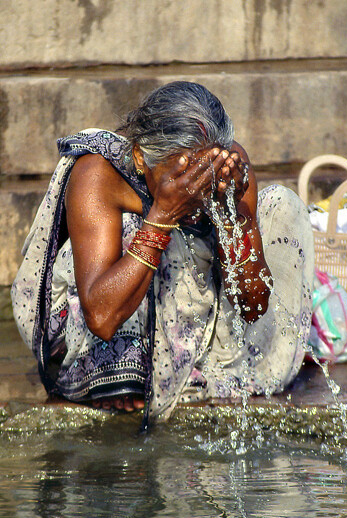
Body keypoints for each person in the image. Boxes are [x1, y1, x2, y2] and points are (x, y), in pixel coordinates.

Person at [11, 81, 314, 424]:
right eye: (185, 174)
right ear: (141, 156)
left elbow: (253, 305)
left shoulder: (229, 167)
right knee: (132, 228)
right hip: (92, 329)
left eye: (205, 174)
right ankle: (116, 375)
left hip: (201, 330)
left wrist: (234, 218)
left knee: (283, 205)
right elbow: (101, 318)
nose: (196, 188)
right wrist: (163, 216)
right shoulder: (98, 173)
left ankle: (198, 371)